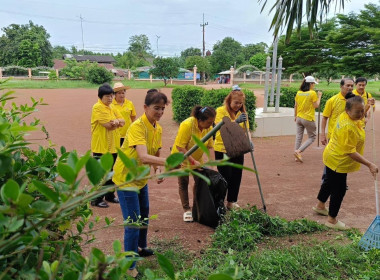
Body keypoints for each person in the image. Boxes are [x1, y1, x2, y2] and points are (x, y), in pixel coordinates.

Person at [112, 89, 169, 278]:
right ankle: (130, 267)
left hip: (141, 178)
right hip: (127, 179)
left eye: (162, 109)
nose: (160, 112)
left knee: (144, 214)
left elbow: (155, 154)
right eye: (156, 108)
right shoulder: (137, 126)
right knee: (133, 223)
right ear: (145, 107)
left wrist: (158, 169)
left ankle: (141, 247)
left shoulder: (157, 128)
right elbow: (144, 156)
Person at [313, 95, 378, 230]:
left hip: (332, 155)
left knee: (329, 182)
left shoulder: (345, 115)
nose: (361, 114)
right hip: (339, 161)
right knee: (339, 189)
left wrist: (367, 107)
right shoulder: (347, 127)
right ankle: (331, 220)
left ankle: (320, 206)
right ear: (348, 111)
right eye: (358, 112)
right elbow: (350, 152)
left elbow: (359, 114)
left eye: (362, 111)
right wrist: (369, 164)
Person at [171, 106, 216, 222]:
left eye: (212, 122)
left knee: (199, 181)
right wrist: (192, 161)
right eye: (209, 122)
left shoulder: (208, 128)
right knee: (183, 182)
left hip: (197, 157)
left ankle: (198, 207)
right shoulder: (187, 125)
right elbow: (180, 146)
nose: (211, 125)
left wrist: (212, 164)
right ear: (200, 120)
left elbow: (210, 147)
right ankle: (186, 210)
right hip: (181, 156)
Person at [214, 88, 250, 210]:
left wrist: (249, 141)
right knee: (225, 176)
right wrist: (235, 121)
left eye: (240, 103)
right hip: (222, 148)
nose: (238, 105)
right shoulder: (220, 111)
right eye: (236, 103)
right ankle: (219, 203)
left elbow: (246, 130)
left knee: (236, 175)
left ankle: (231, 202)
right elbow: (222, 128)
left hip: (238, 148)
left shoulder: (242, 114)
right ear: (229, 101)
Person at [90, 83, 125, 208]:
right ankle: (96, 199)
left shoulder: (112, 107)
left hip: (113, 146)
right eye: (107, 96)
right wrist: (116, 122)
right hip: (101, 147)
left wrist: (116, 121)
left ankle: (110, 195)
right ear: (100, 96)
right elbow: (108, 126)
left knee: (112, 173)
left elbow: (123, 121)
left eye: (111, 96)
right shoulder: (97, 107)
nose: (110, 98)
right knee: (101, 174)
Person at [293, 76, 323, 162]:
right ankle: (298, 151)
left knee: (299, 137)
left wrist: (295, 116)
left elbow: (296, 105)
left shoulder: (299, 93)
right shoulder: (312, 93)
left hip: (299, 117)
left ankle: (296, 156)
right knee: (312, 137)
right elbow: (316, 105)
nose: (313, 85)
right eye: (313, 83)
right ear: (310, 84)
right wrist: (319, 96)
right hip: (308, 118)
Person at [321, 78, 354, 145]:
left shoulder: (355, 100)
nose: (350, 88)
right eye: (347, 85)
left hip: (350, 135)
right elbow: (324, 118)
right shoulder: (332, 100)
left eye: (352, 86)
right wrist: (323, 135)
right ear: (341, 86)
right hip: (334, 136)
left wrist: (368, 105)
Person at [112, 82, 136, 146]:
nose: (121, 95)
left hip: (127, 134)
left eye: (123, 93)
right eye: (119, 93)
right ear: (115, 94)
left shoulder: (129, 103)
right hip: (115, 135)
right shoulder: (111, 105)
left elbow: (133, 117)